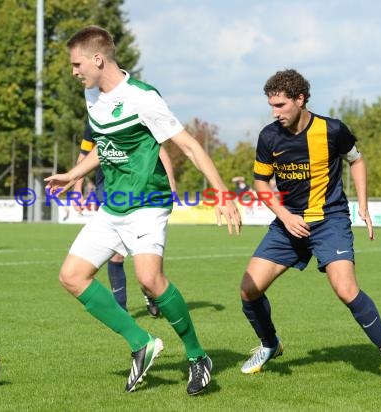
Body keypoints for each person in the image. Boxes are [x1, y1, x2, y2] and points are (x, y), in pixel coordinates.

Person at [45, 25, 241, 395]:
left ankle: (198, 356)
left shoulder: (143, 97)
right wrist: (74, 173)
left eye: (76, 64)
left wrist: (222, 192)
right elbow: (103, 147)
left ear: (97, 59)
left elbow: (188, 146)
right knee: (72, 276)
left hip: (148, 203)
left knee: (150, 280)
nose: (73, 71)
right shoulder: (93, 97)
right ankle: (142, 343)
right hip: (114, 205)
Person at [239, 69, 381, 383]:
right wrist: (285, 216)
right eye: (271, 106)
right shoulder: (268, 136)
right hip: (287, 224)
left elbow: (356, 160)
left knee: (345, 289)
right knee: (249, 290)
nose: (274, 113)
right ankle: (270, 345)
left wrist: (365, 207)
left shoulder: (332, 130)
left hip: (329, 220)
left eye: (280, 105)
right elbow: (261, 183)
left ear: (300, 99)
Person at [72, 124, 177, 316]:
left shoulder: (135, 112)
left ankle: (150, 290)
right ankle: (121, 308)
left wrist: (171, 182)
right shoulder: (93, 119)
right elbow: (85, 154)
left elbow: (158, 149)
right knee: (116, 254)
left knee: (143, 257)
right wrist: (77, 188)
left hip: (140, 189)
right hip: (109, 187)